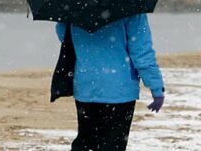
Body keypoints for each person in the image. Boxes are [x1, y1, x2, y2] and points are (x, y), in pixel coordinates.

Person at [55, 14, 165, 151]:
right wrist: (156, 88)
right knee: (113, 144)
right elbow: (141, 52)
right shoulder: (132, 6)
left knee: (86, 141)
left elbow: (63, 36)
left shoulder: (73, 2)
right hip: (120, 88)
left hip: (86, 84)